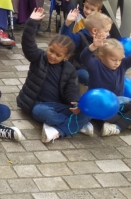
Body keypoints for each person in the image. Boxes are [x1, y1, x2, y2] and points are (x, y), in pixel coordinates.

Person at [18, 8, 93, 143]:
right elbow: (28, 44)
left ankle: (58, 130)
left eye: (58, 55)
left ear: (66, 57)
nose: (52, 56)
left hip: (59, 105)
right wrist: (32, 22)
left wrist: (75, 103)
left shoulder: (70, 69)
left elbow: (72, 89)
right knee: (46, 114)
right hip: (38, 104)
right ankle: (74, 125)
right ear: (48, 46)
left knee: (88, 111)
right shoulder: (38, 58)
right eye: (51, 51)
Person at [82, 37, 131, 136]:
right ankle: (128, 123)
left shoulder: (122, 65)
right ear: (101, 56)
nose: (117, 63)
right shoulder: (95, 65)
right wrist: (93, 46)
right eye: (113, 59)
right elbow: (84, 57)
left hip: (119, 103)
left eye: (120, 60)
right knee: (104, 115)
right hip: (101, 105)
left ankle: (117, 127)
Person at [61, 11, 111, 86]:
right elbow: (65, 38)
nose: (108, 34)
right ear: (95, 31)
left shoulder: (104, 38)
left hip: (94, 67)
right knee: (85, 75)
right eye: (106, 31)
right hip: (79, 68)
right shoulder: (80, 37)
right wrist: (67, 23)